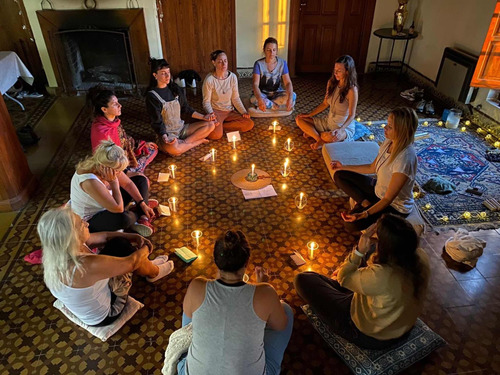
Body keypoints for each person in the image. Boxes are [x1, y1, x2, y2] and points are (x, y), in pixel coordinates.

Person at [294, 214, 430, 349]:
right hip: (400, 326)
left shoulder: (382, 275)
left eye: (378, 239)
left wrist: (358, 252)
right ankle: (354, 281)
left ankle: (353, 282)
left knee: (303, 280)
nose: (376, 241)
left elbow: (343, 277)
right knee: (369, 252)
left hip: (370, 334)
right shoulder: (421, 257)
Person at [179, 230, 293, 375]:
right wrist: (262, 287)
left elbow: (188, 315)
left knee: (191, 312)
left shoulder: (197, 286)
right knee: (286, 310)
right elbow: (280, 325)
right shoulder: (266, 292)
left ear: (215, 260)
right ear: (246, 262)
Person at [38, 207, 174, 326]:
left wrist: (132, 236)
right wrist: (146, 248)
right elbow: (131, 263)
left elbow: (105, 236)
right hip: (107, 313)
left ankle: (148, 266)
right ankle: (154, 273)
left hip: (88, 301)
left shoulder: (58, 250)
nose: (87, 223)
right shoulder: (83, 266)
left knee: (119, 243)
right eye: (81, 224)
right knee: (128, 252)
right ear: (71, 236)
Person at [331, 107, 418, 233]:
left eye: (390, 127)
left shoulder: (405, 159)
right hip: (377, 190)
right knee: (339, 175)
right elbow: (372, 167)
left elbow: (388, 199)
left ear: (402, 131)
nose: (385, 128)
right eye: (387, 124)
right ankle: (365, 202)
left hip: (393, 206)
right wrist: (342, 166)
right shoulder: (389, 141)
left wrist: (364, 214)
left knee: (350, 225)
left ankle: (365, 205)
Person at [70, 140, 155, 236]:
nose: (120, 173)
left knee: (140, 180)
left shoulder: (104, 166)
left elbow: (128, 184)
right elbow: (118, 209)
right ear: (104, 168)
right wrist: (114, 183)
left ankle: (142, 215)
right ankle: (135, 215)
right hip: (92, 220)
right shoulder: (89, 182)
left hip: (110, 204)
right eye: (117, 171)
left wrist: (142, 203)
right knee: (124, 218)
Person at [145, 58, 215, 156]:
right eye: (163, 73)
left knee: (210, 125)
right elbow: (156, 122)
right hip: (167, 134)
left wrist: (204, 117)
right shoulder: (152, 96)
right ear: (155, 75)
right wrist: (164, 136)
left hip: (181, 129)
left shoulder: (175, 89)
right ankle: (196, 142)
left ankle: (185, 143)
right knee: (175, 150)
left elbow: (186, 109)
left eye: (168, 72)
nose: (167, 75)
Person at [88, 86, 158, 175]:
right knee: (138, 178)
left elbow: (124, 140)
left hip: (125, 159)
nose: (120, 106)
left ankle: (135, 172)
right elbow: (106, 162)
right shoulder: (101, 132)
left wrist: (142, 145)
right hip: (114, 168)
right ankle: (133, 173)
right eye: (114, 104)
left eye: (118, 102)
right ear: (104, 109)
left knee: (152, 149)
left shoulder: (114, 121)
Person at [296, 55, 358, 149]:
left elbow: (352, 115)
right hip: (328, 122)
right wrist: (309, 115)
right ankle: (319, 139)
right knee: (299, 119)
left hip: (342, 126)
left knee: (330, 137)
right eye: (335, 70)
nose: (335, 73)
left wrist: (341, 130)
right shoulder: (331, 83)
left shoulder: (352, 90)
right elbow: (325, 103)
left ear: (347, 71)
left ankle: (316, 134)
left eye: (339, 71)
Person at [202, 50, 254, 140]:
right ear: (214, 63)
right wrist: (212, 115)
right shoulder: (209, 80)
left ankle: (222, 126)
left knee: (249, 124)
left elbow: (235, 98)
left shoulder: (233, 77)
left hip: (229, 111)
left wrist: (243, 112)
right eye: (220, 62)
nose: (223, 64)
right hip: (216, 111)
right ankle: (217, 126)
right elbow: (206, 102)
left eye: (225, 61)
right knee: (216, 135)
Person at [250, 37, 296, 112]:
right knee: (253, 99)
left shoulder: (282, 63)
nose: (271, 53)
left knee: (293, 96)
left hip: (277, 94)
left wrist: (290, 99)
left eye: (274, 50)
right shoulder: (258, 64)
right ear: (264, 50)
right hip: (262, 94)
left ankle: (268, 104)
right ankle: (272, 105)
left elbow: (288, 83)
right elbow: (255, 84)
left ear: (277, 51)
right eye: (268, 50)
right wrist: (260, 99)